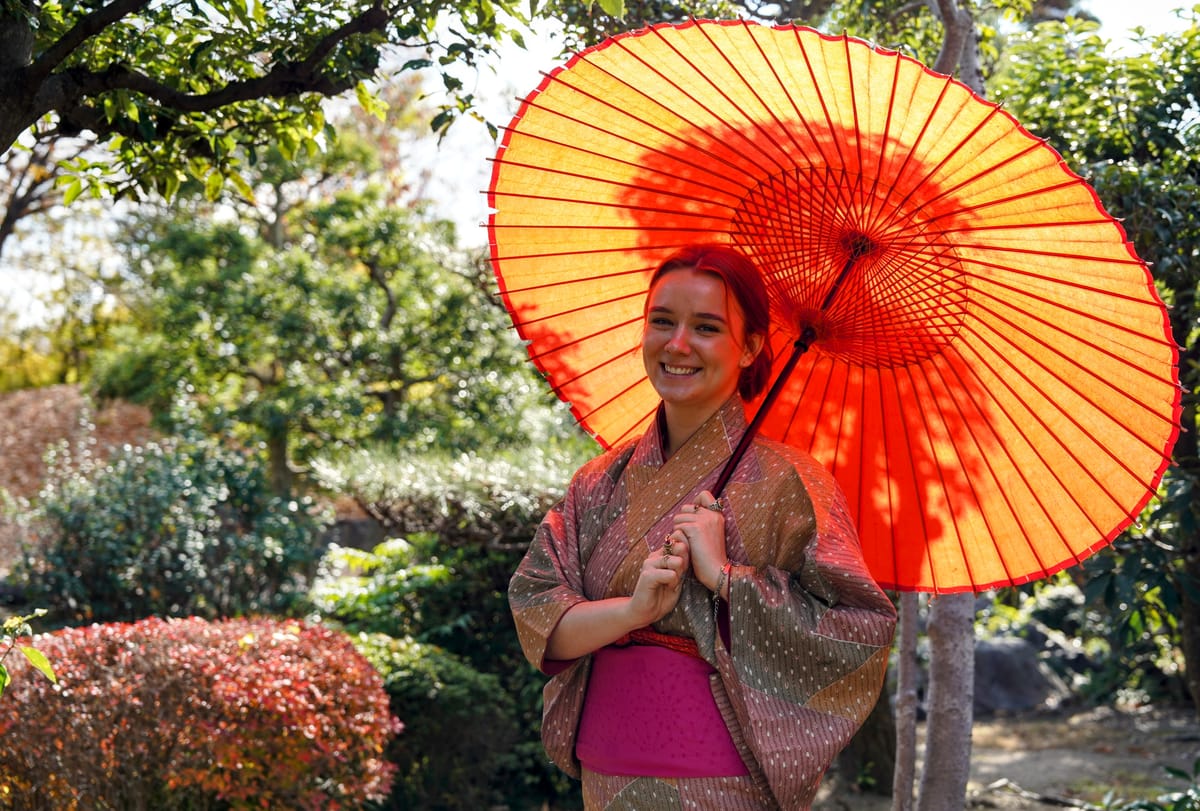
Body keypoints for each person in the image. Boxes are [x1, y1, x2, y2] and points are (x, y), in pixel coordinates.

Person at [508, 244, 897, 810]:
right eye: (662, 321)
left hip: (722, 779)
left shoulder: (793, 483)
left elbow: (858, 631)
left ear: (752, 347)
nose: (678, 344)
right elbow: (538, 612)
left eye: (707, 327)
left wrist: (726, 578)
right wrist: (634, 611)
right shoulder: (597, 482)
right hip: (609, 769)